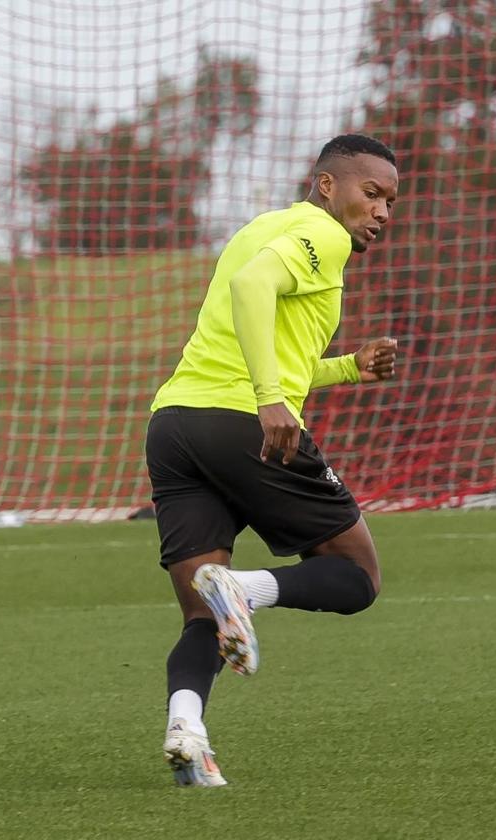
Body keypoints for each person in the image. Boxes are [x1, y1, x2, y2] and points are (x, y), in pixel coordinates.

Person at [146, 133, 399, 786]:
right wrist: (268, 401)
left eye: (391, 202)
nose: (382, 212)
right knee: (357, 574)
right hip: (241, 425)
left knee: (202, 614)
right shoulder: (325, 236)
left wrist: (347, 367)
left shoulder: (262, 228)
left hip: (174, 426)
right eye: (371, 193)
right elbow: (258, 291)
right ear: (326, 185)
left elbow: (264, 338)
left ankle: (187, 732)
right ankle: (247, 592)